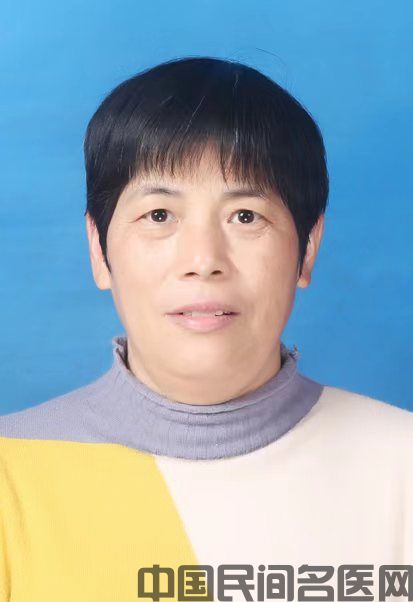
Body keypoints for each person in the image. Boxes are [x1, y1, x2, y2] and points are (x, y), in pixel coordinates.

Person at [0, 56, 412, 602]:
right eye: (159, 216)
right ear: (99, 250)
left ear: (307, 249)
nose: (203, 260)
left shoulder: (401, 463)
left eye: (246, 216)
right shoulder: (11, 471)